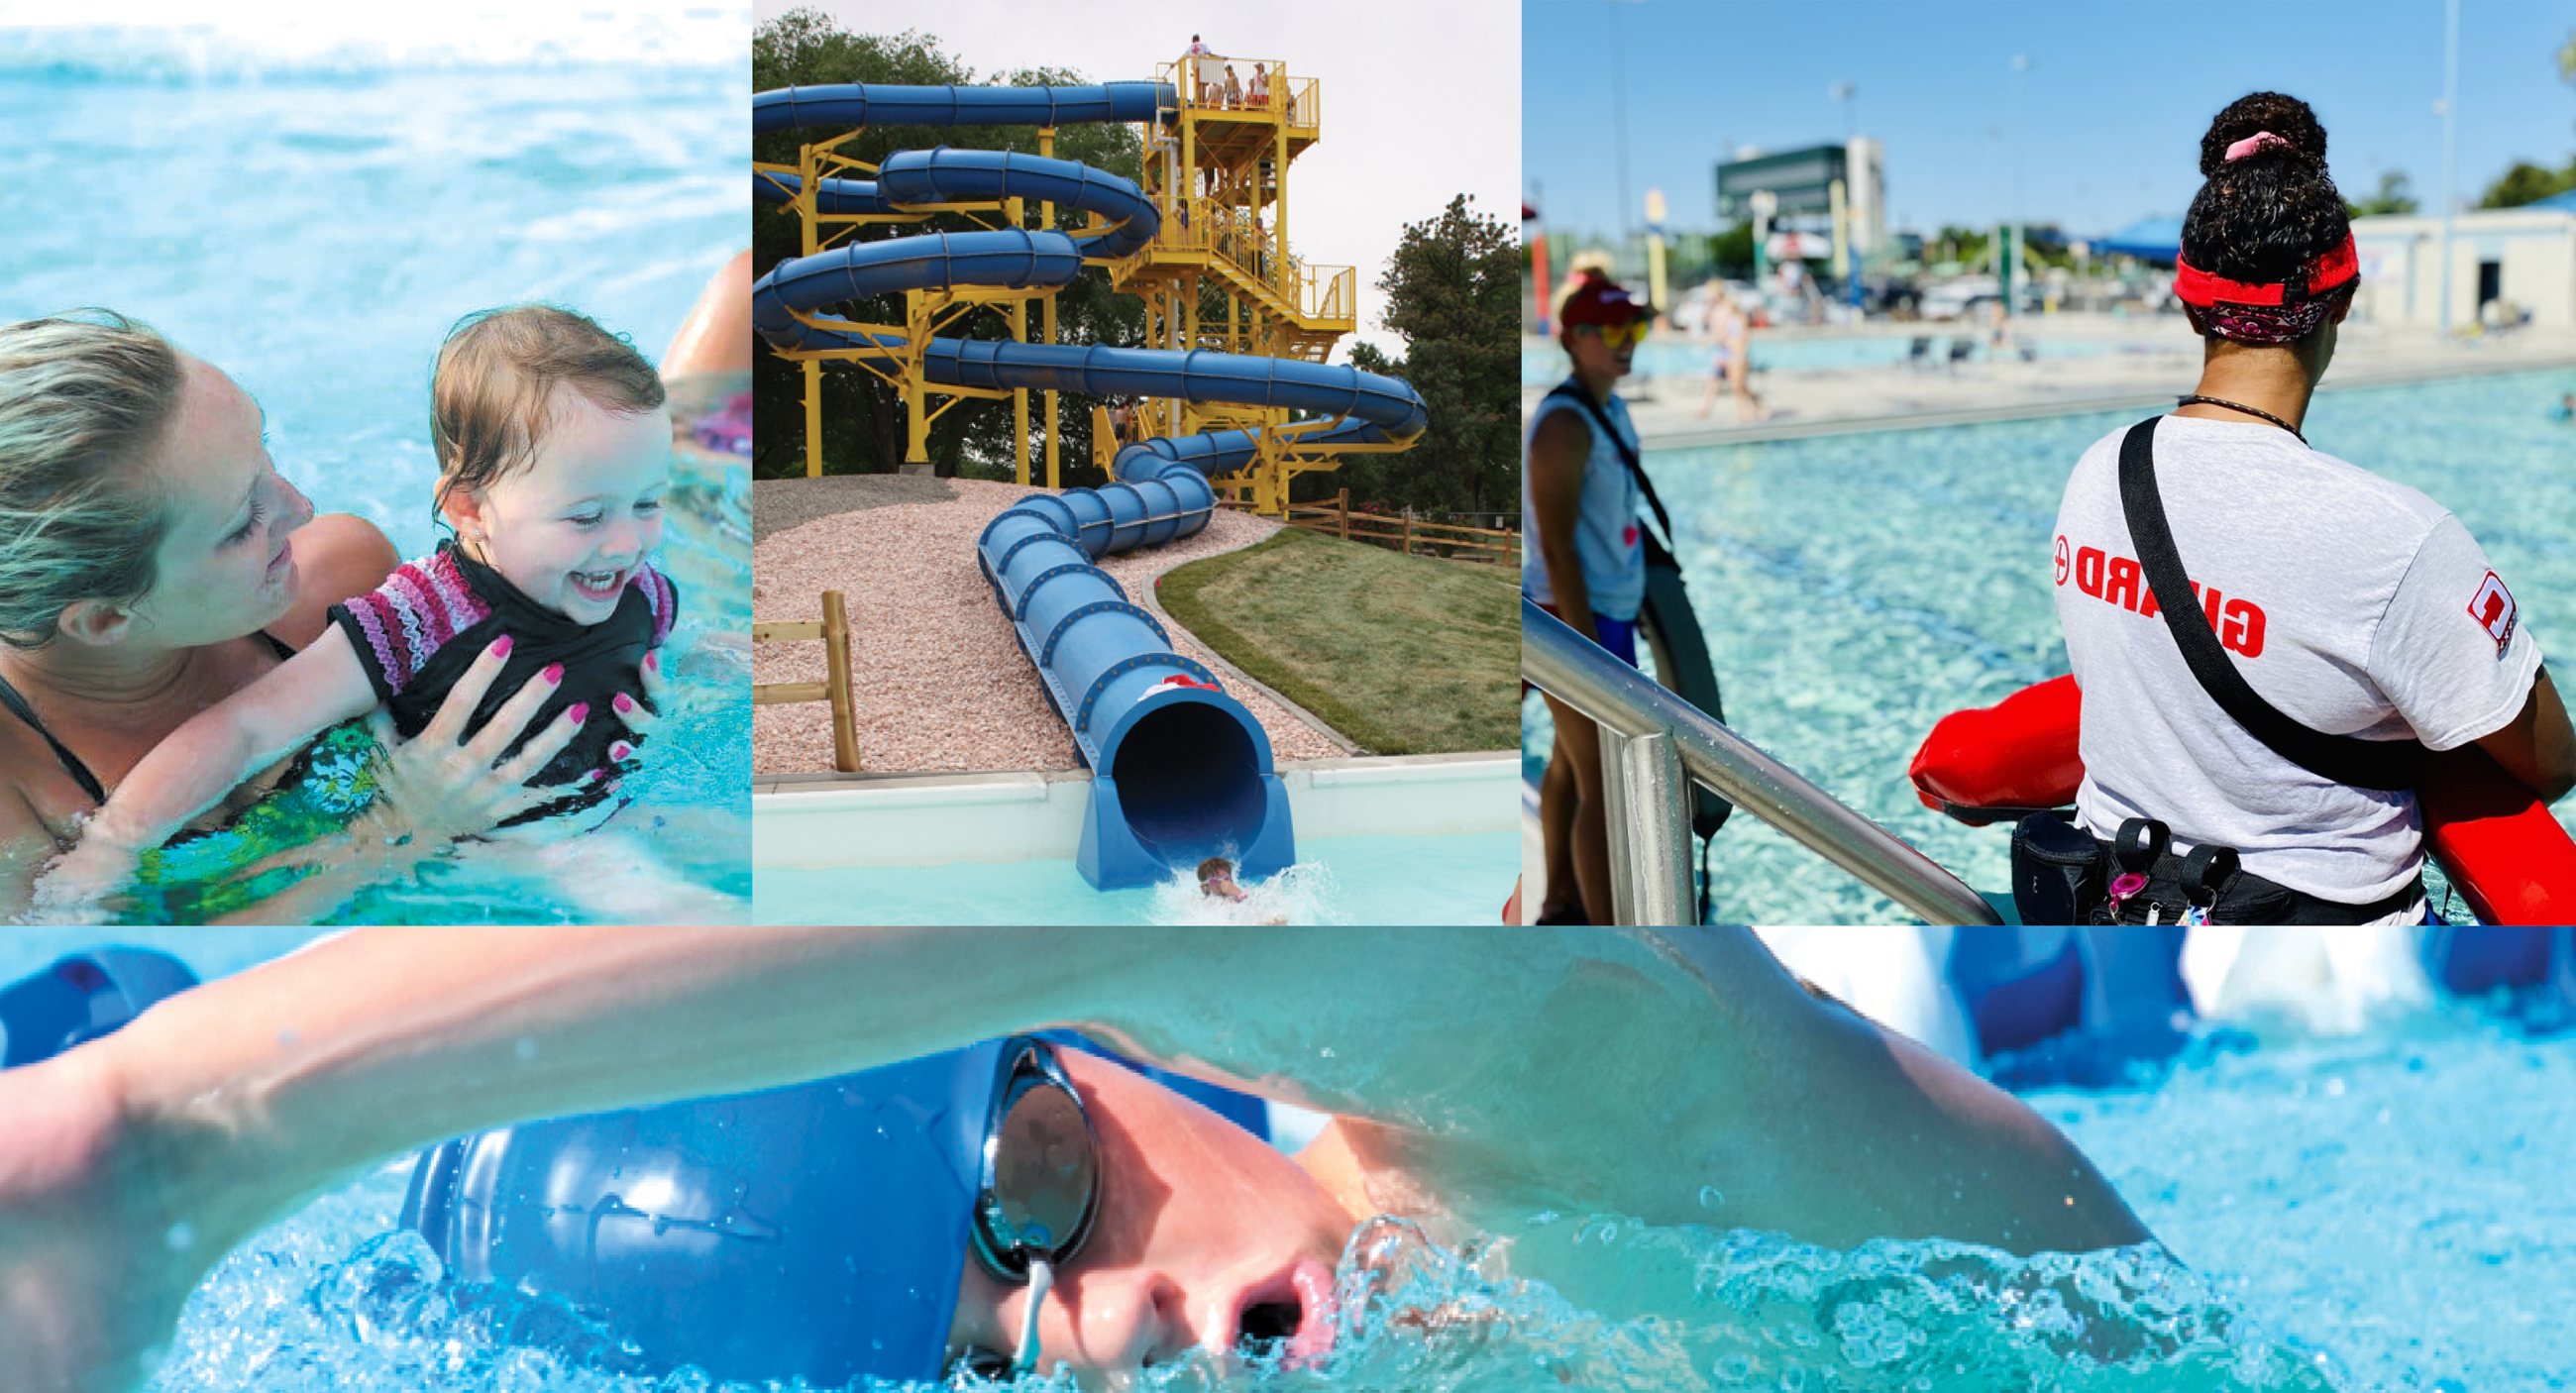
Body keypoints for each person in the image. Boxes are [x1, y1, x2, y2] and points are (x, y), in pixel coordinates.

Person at [0, 926, 2152, 1393]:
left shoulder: (1584, 1135)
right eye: (988, 1375)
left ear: (1112, 1059)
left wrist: (183, 1131)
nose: (1121, 1338)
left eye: (1029, 1194)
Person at [2048, 92, 2575, 925]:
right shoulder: (2397, 540)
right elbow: (2551, 759)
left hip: (2111, 904)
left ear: (2188, 304)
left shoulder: (2099, 470)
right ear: (2345, 300)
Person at [0, 312, 642, 918]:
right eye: (242, 522)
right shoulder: (20, 793)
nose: (301, 509)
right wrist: (395, 831)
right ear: (104, 620)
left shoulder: (336, 581)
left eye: (265, 454)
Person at [1526, 272, 1651, 925]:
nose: (1628, 342)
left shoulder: (1610, 407)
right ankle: (1611, 933)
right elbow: (1557, 550)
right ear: (1575, 339)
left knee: (1573, 770)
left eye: (1637, 328)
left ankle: (1559, 901)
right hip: (1571, 620)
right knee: (1604, 779)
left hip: (1606, 615)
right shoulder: (1565, 426)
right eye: (1613, 331)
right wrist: (1587, 656)